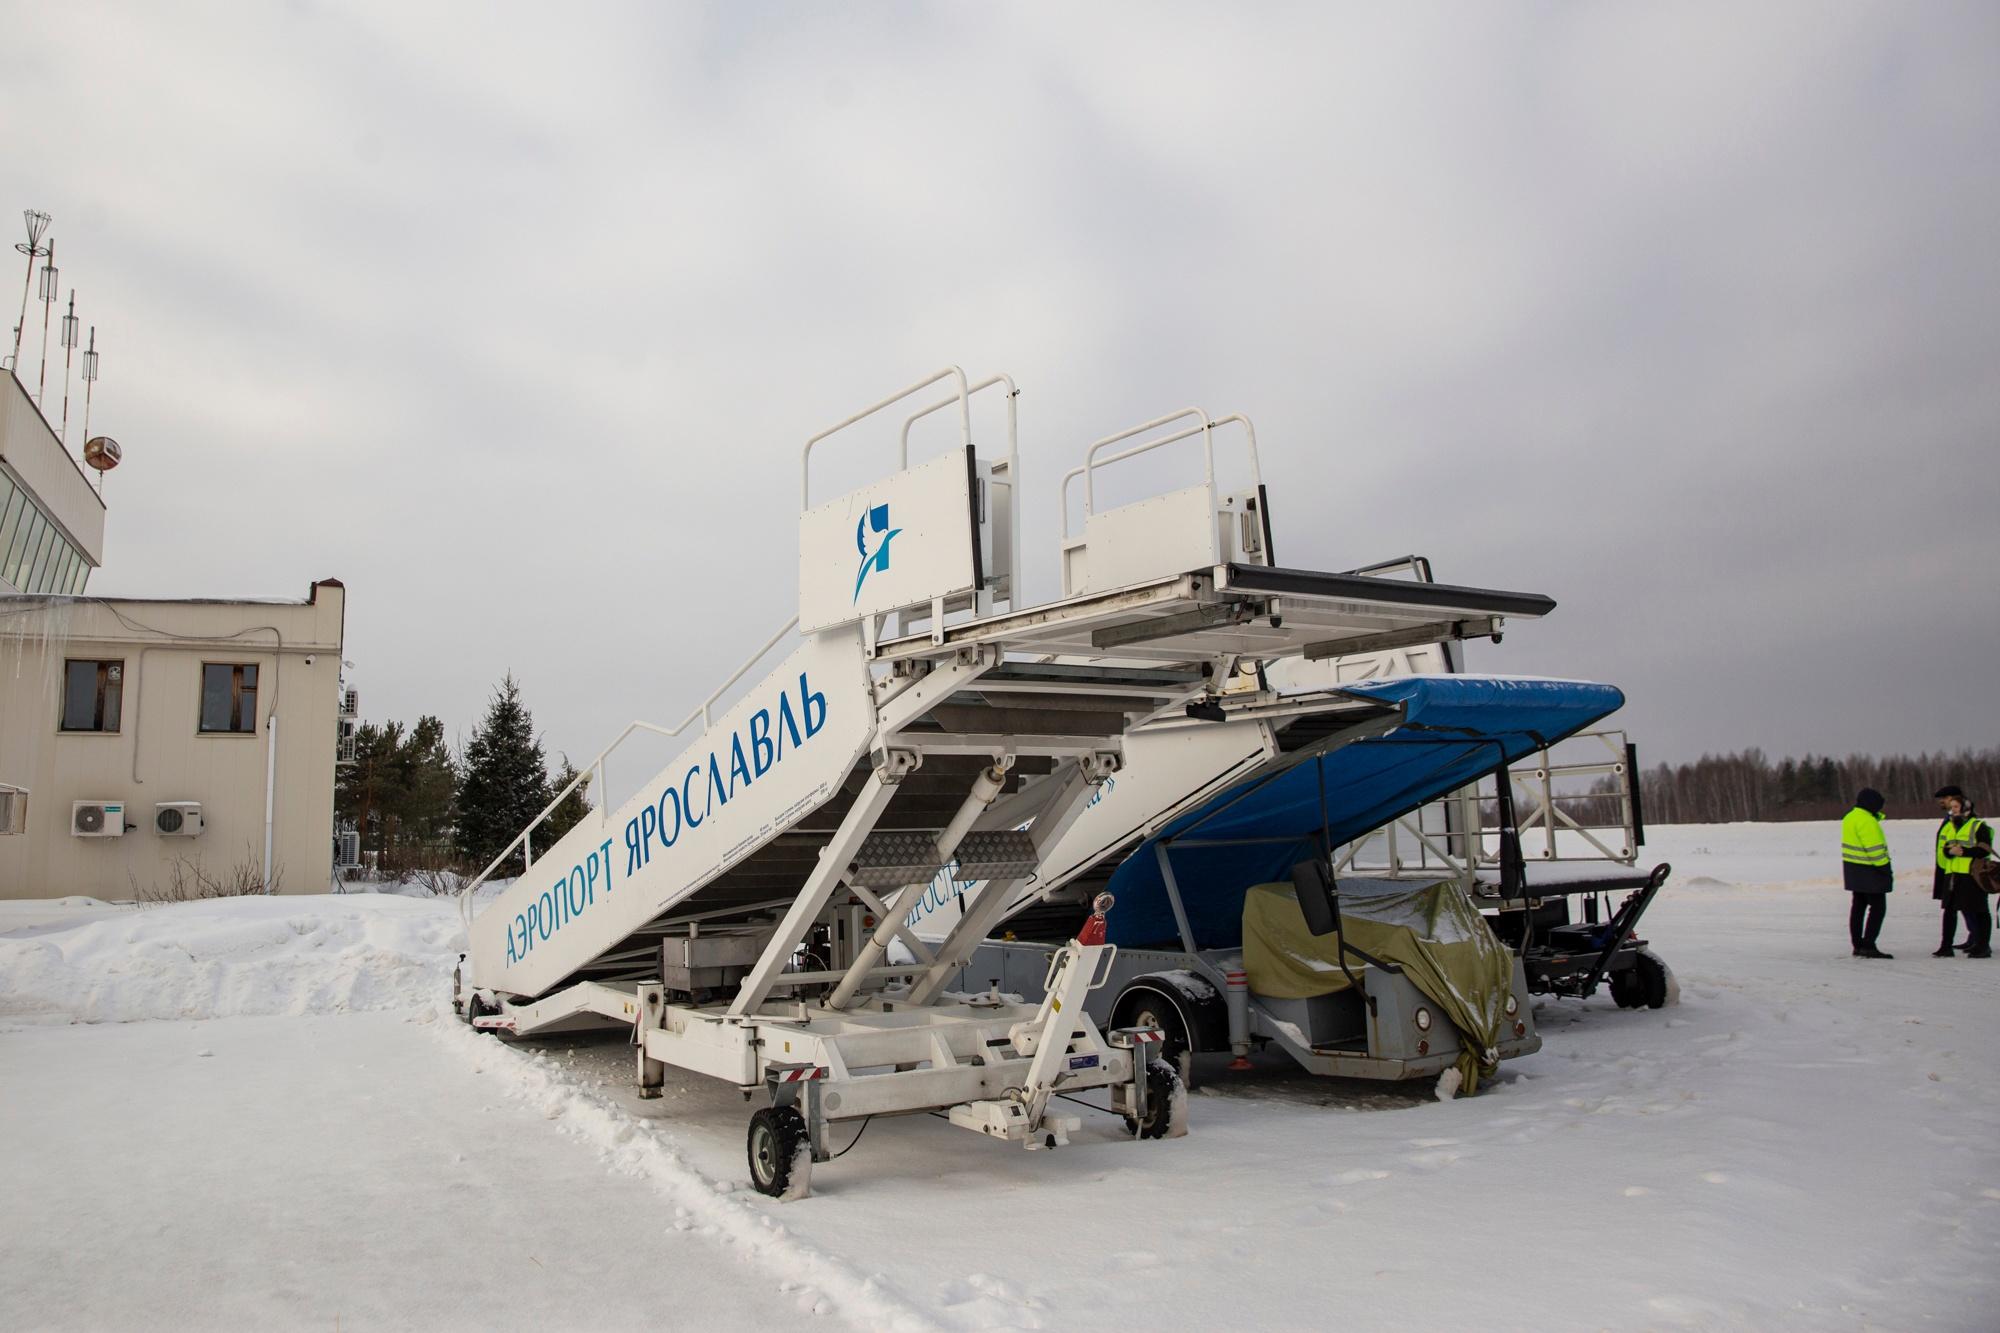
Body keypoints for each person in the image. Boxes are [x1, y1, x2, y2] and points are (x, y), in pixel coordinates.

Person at [1931, 785, 1993, 959]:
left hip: (1972, 874)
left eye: (1956, 807)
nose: (1953, 811)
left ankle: (1982, 946)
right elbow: (1944, 847)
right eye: (1951, 808)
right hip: (1953, 874)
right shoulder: (1950, 826)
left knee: (1979, 910)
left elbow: (1985, 849)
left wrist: (1964, 852)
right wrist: (1948, 852)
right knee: (1949, 910)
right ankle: (1945, 946)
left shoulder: (1978, 825)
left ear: (1966, 808)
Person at [1841, 788, 1893, 958]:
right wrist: (1885, 869)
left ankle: (1857, 944)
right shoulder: (1867, 821)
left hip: (1853, 869)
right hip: (1871, 871)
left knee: (1858, 907)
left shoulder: (1850, 817)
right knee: (1878, 908)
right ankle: (1869, 944)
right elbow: (1875, 850)